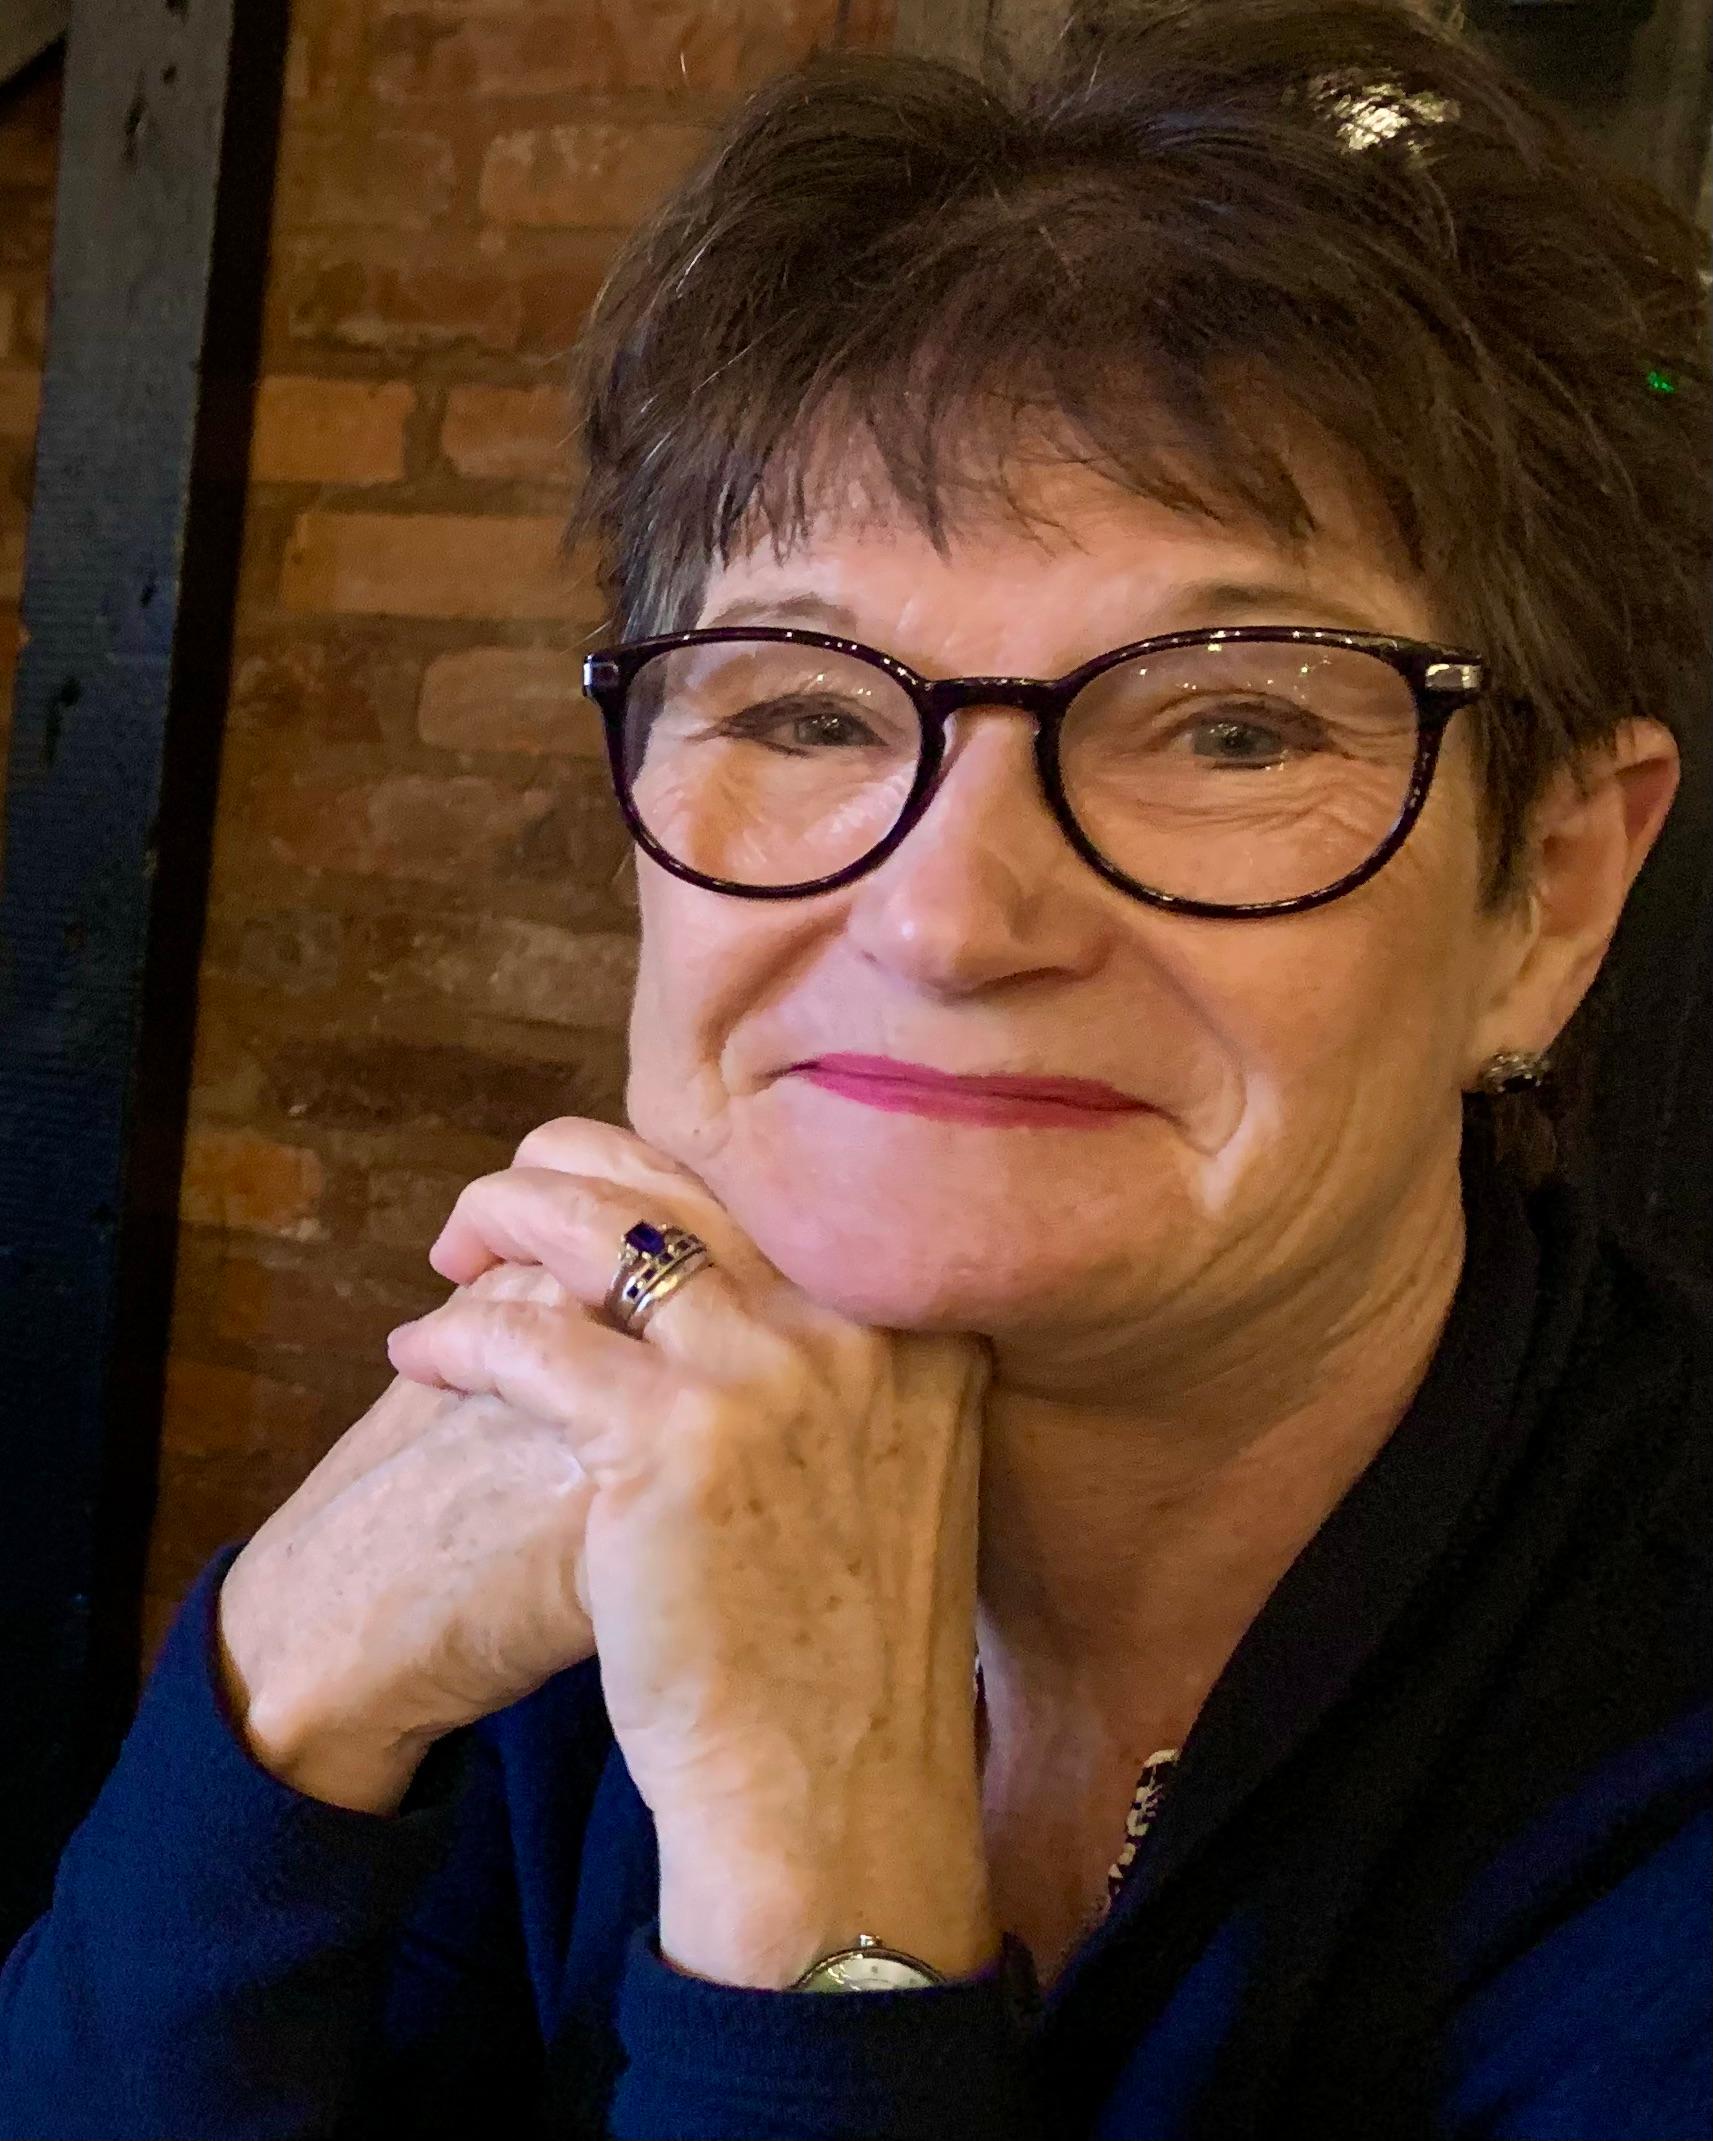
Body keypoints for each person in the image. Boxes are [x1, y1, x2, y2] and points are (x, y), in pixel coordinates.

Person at [2, 1, 1709, 2135]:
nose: (946, 918)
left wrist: (829, 1912)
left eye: (1232, 724)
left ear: (1547, 891)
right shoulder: (573, 1491)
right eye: (806, 710)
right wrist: (279, 1680)